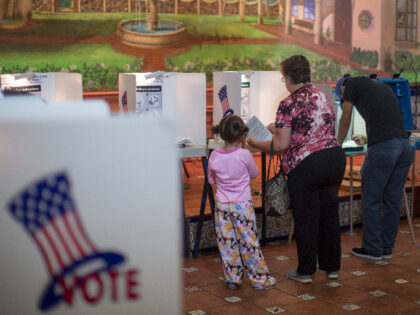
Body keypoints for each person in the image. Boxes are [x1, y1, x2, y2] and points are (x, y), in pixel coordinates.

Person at [248, 55, 346, 284]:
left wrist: (254, 143)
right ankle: (332, 268)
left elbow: (281, 146)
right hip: (334, 160)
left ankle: (306, 271)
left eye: (283, 78)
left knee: (306, 218)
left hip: (307, 166)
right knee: (329, 216)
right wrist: (278, 130)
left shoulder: (288, 103)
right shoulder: (321, 94)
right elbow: (310, 129)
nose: (284, 82)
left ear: (289, 77)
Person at [337, 76, 415, 260]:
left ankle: (372, 249)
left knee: (371, 200)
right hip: (405, 147)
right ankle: (386, 249)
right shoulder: (381, 87)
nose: (341, 98)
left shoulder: (351, 84)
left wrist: (336, 146)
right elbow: (388, 122)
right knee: (392, 201)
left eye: (340, 94)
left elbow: (345, 118)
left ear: (343, 87)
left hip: (385, 148)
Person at [208, 114, 276, 290]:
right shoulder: (244, 154)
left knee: (226, 242)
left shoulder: (214, 155)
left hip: (222, 206)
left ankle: (233, 278)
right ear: (241, 136)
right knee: (249, 241)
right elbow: (253, 174)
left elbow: (211, 180)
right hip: (242, 205)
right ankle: (260, 280)